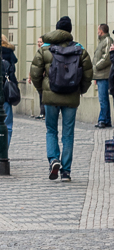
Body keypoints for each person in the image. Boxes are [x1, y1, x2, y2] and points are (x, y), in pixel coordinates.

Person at [30, 15, 94, 181]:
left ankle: (53, 159)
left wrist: (42, 90)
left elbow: (35, 73)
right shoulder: (80, 50)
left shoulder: (45, 50)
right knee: (68, 134)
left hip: (50, 96)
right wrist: (80, 90)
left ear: (57, 29)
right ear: (70, 31)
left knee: (51, 130)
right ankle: (66, 171)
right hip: (71, 96)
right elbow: (88, 74)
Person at [94, 23, 113, 128]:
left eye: (98, 30)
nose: (97, 32)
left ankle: (103, 120)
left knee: (103, 99)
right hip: (100, 75)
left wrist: (96, 66)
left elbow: (106, 58)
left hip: (104, 75)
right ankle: (106, 119)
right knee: (103, 98)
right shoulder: (102, 41)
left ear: (101, 31)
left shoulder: (107, 40)